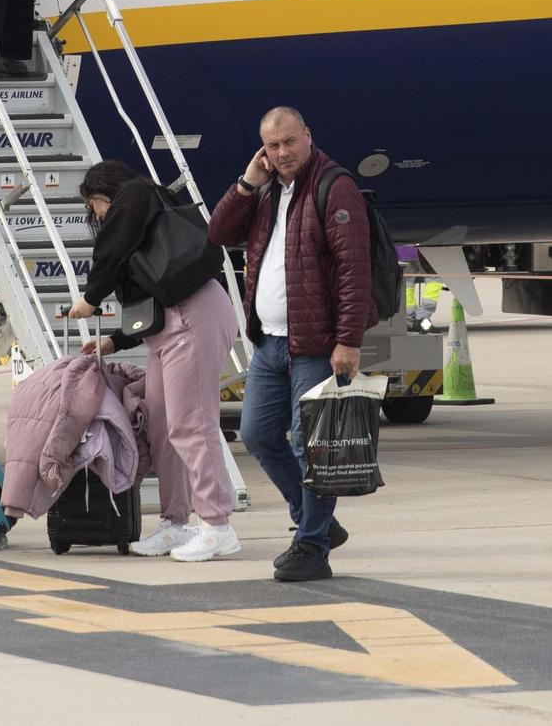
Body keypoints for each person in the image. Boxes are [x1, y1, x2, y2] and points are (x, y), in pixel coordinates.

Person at [207, 107, 375, 583]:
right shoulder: (266, 192)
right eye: (272, 145)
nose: (282, 153)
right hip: (271, 344)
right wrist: (246, 182)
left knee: (312, 447)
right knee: (259, 435)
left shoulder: (333, 186)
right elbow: (218, 233)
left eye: (289, 142)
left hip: (317, 344)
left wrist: (348, 340)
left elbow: (353, 269)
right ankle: (315, 517)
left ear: (308, 136)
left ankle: (312, 545)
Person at [66, 160, 238, 562]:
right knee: (163, 426)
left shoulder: (136, 195)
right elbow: (150, 302)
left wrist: (92, 297)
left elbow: (113, 245)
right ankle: (176, 522)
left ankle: (217, 524)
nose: (97, 217)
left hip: (193, 318)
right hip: (170, 326)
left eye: (94, 206)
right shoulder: (142, 219)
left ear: (104, 192)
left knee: (192, 424)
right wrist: (115, 340)